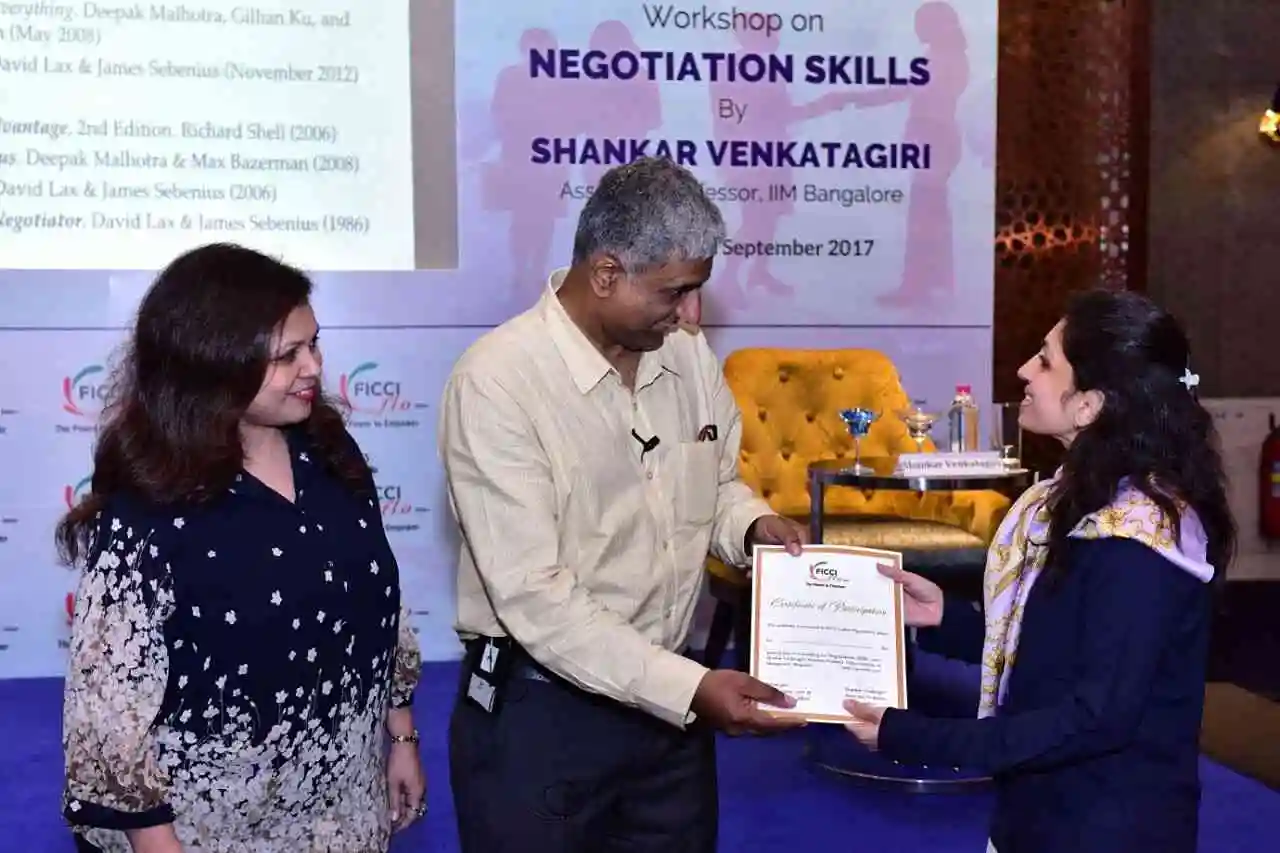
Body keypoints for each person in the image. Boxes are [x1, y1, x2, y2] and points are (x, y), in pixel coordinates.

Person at [438, 156, 809, 853]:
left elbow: (713, 484)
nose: (691, 315)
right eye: (676, 292)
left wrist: (751, 525)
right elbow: (536, 597)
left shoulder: (686, 355)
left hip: (670, 714)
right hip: (543, 715)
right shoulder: (498, 384)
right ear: (606, 273)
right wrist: (691, 689)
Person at [57, 244, 426, 853]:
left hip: (344, 815)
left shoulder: (331, 454)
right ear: (215, 363)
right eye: (287, 355)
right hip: (205, 833)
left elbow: (380, 601)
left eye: (314, 345)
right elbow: (109, 710)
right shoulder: (149, 507)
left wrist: (401, 734)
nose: (313, 367)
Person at [843, 290, 1236, 853]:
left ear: (1089, 405)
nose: (1025, 370)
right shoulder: (1083, 500)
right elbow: (1060, 650)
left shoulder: (1139, 540)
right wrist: (946, 618)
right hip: (1044, 813)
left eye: (1046, 361)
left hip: (1104, 829)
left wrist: (914, 736)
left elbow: (1094, 717)